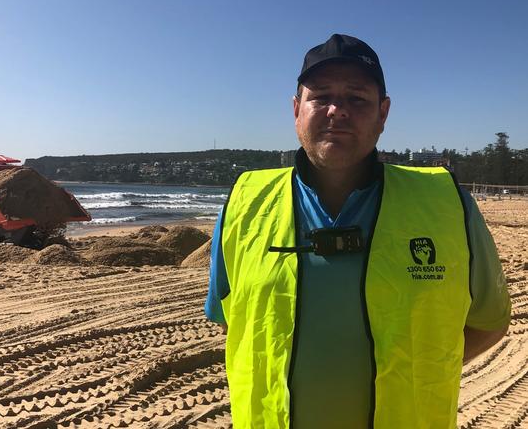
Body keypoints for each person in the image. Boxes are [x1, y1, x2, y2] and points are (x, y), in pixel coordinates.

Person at [204, 34, 511, 429]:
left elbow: (488, 322)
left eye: (356, 98)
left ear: (383, 113)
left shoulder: (447, 203)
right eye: (322, 96)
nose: (337, 110)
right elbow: (233, 323)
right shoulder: (245, 202)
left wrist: (414, 373)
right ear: (297, 109)